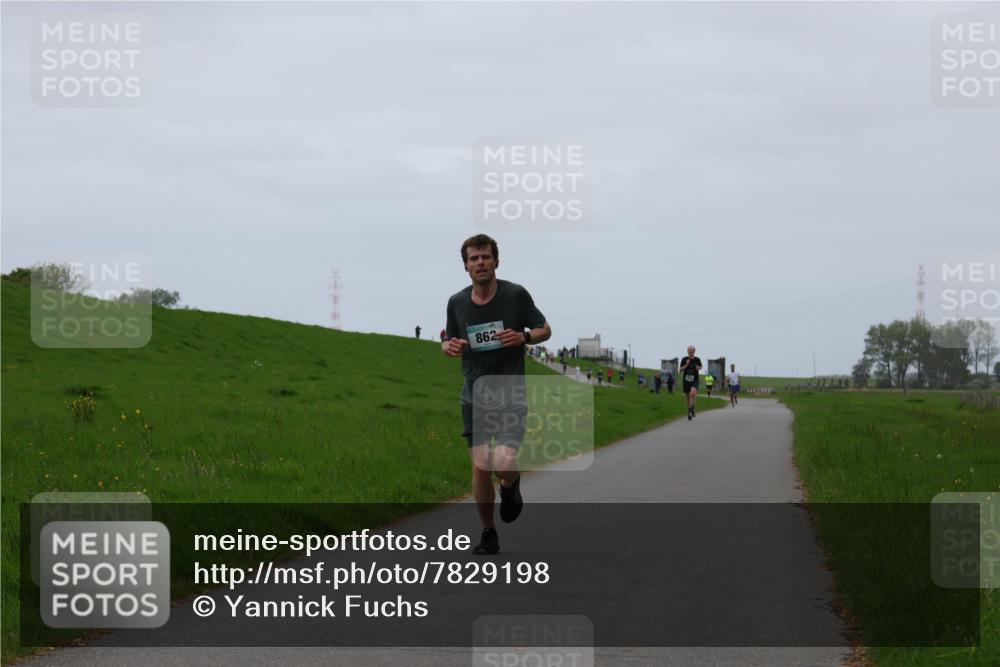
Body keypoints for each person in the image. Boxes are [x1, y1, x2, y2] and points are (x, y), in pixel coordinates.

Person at [443, 234, 551, 555]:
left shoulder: (515, 295)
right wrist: (448, 346)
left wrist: (524, 336)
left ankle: (510, 484)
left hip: (510, 392)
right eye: (474, 259)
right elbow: (449, 338)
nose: (480, 263)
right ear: (466, 266)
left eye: (485, 257)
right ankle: (488, 532)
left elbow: (546, 329)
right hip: (474, 395)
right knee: (480, 465)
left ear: (496, 262)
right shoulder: (457, 303)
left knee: (503, 462)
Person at [679, 346, 702, 420]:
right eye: (689, 350)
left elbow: (700, 366)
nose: (690, 352)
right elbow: (680, 370)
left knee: (692, 393)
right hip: (686, 380)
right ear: (687, 351)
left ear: (694, 351)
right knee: (688, 397)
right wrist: (686, 364)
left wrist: (698, 367)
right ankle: (689, 411)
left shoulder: (697, 359)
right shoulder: (684, 359)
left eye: (692, 350)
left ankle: (692, 408)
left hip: (694, 379)